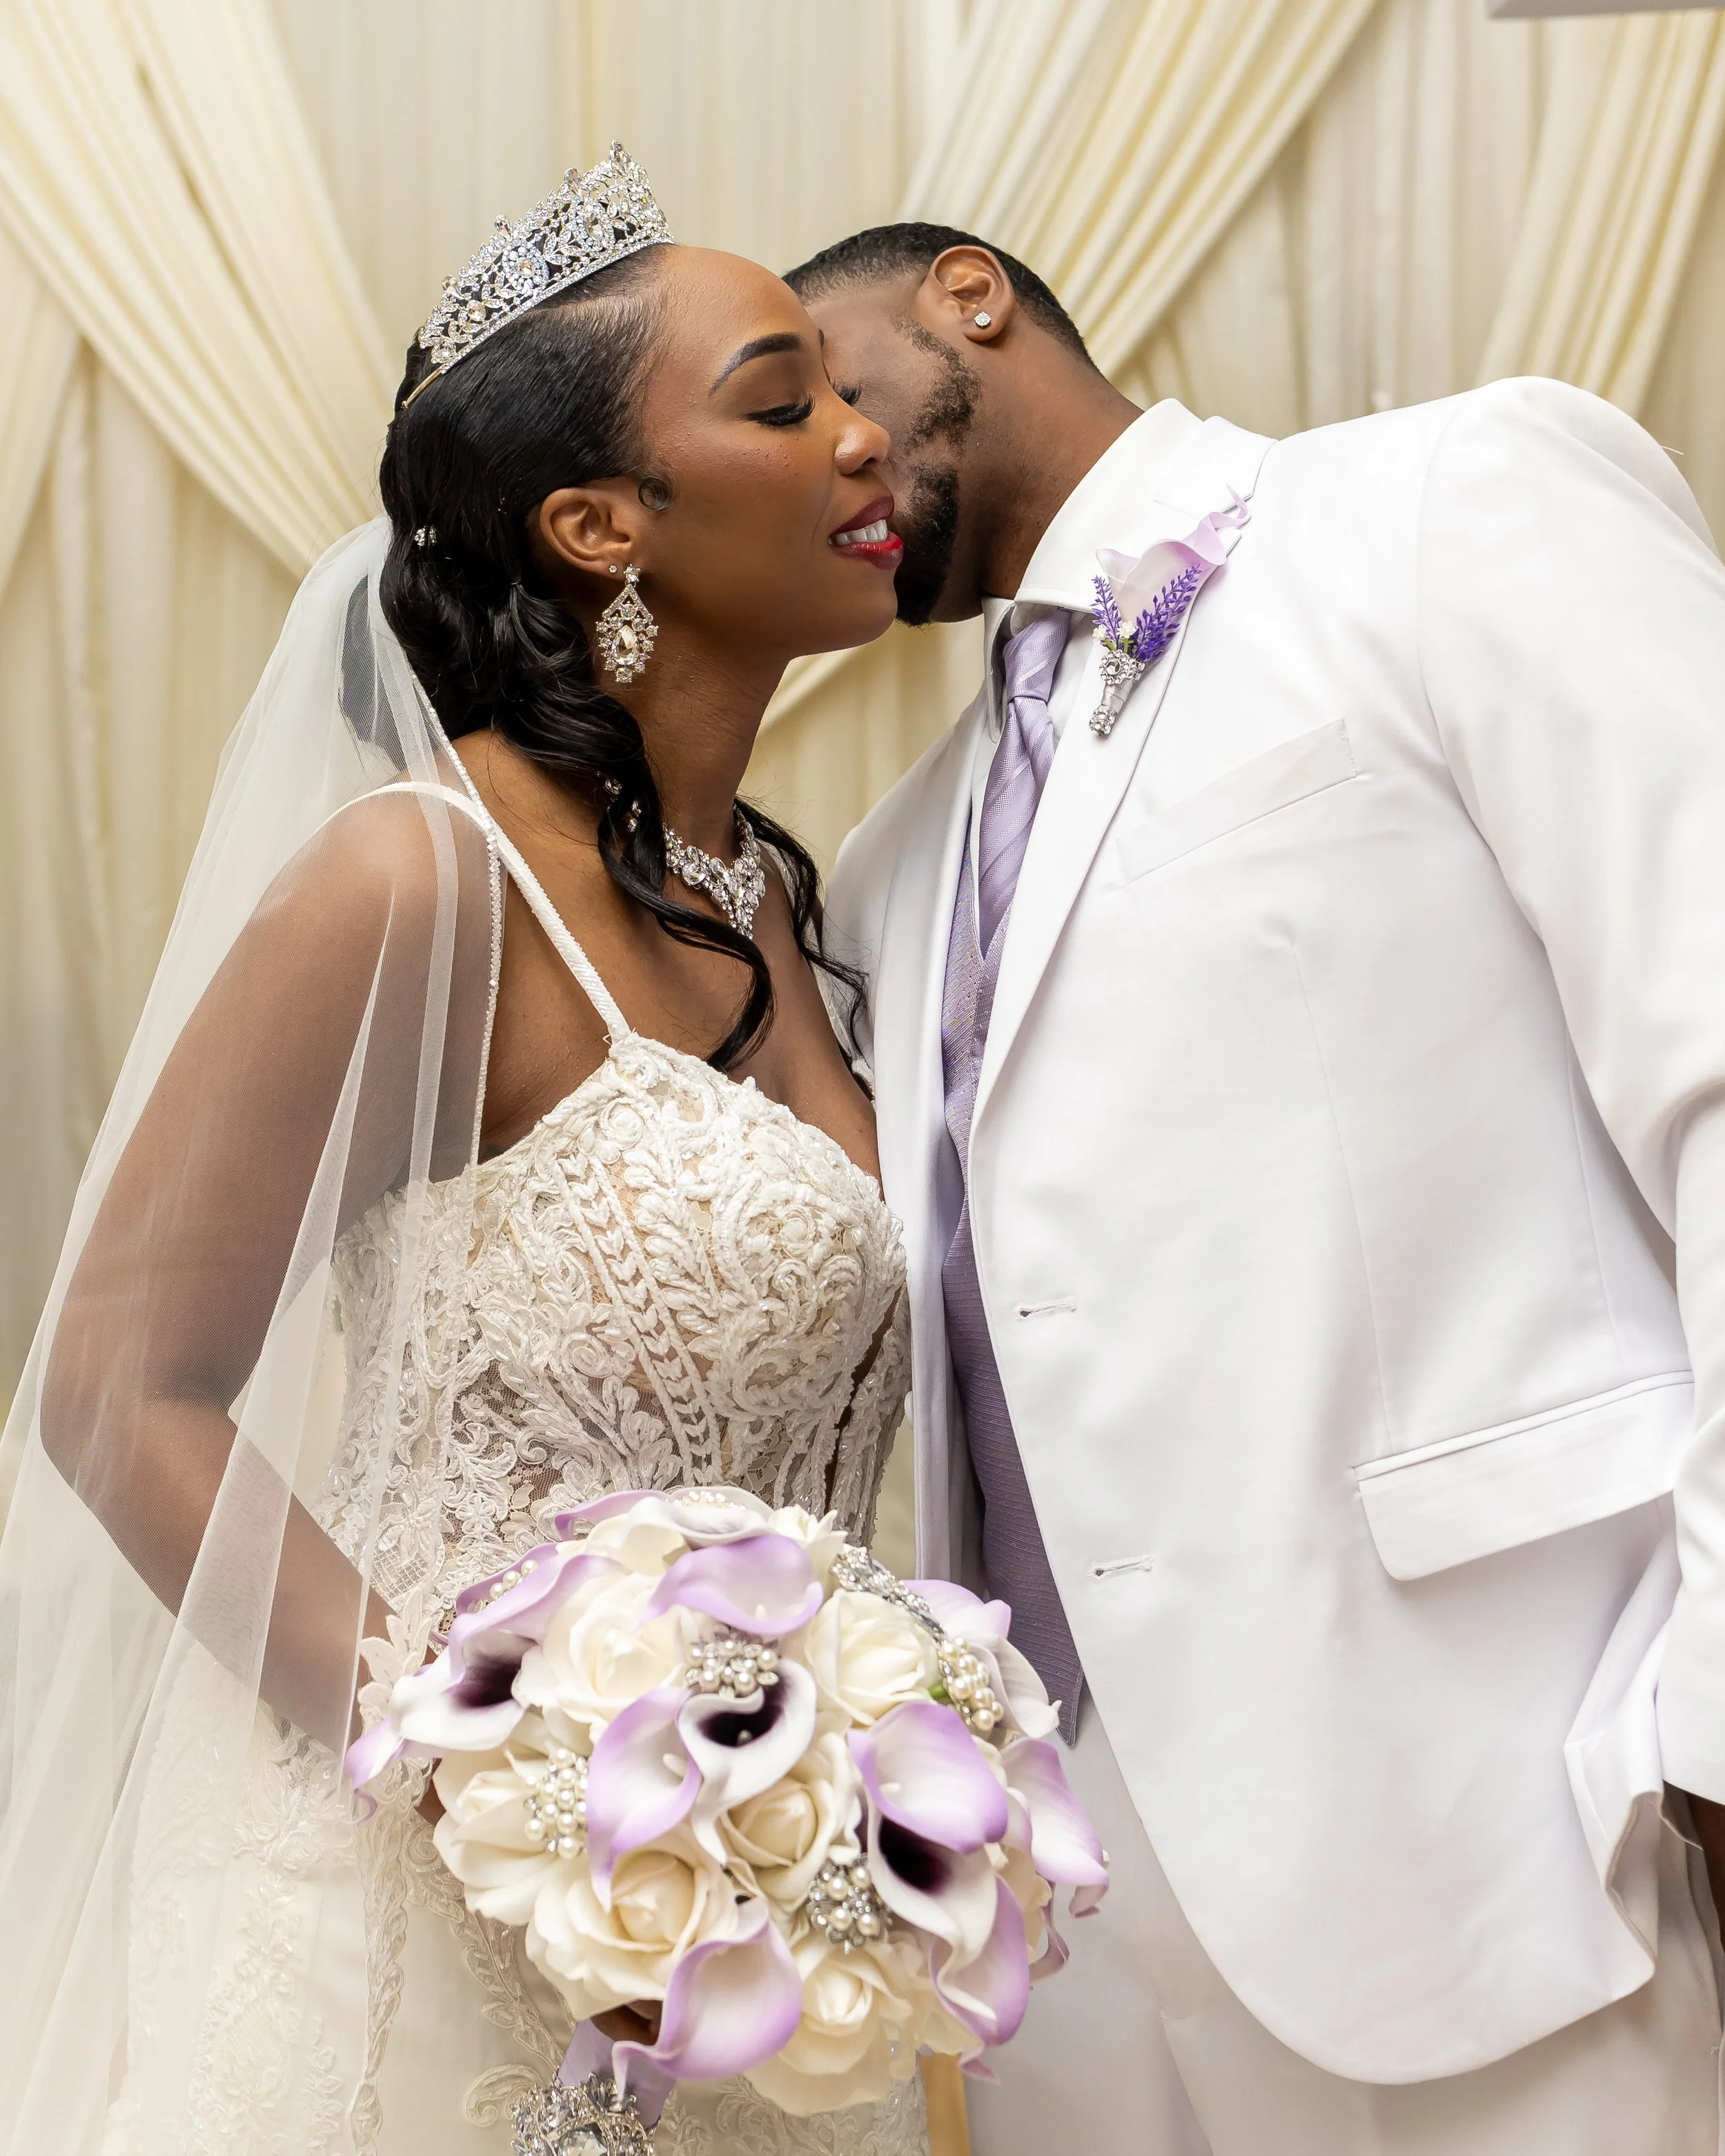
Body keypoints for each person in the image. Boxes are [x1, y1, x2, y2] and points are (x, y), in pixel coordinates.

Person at [0, 148, 928, 2156]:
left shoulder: (786, 897)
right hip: (420, 1945)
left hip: (749, 1968)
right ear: (599, 525)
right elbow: (114, 1392)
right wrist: (493, 1778)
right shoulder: (417, 877)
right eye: (780, 400)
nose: (866, 430)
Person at [792, 220, 1725, 2155]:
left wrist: (1705, 1721)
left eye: (821, 381)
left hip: (1516, 1827)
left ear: (968, 293)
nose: (825, 457)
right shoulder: (892, 857)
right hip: (1072, 1942)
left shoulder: (1440, 505)